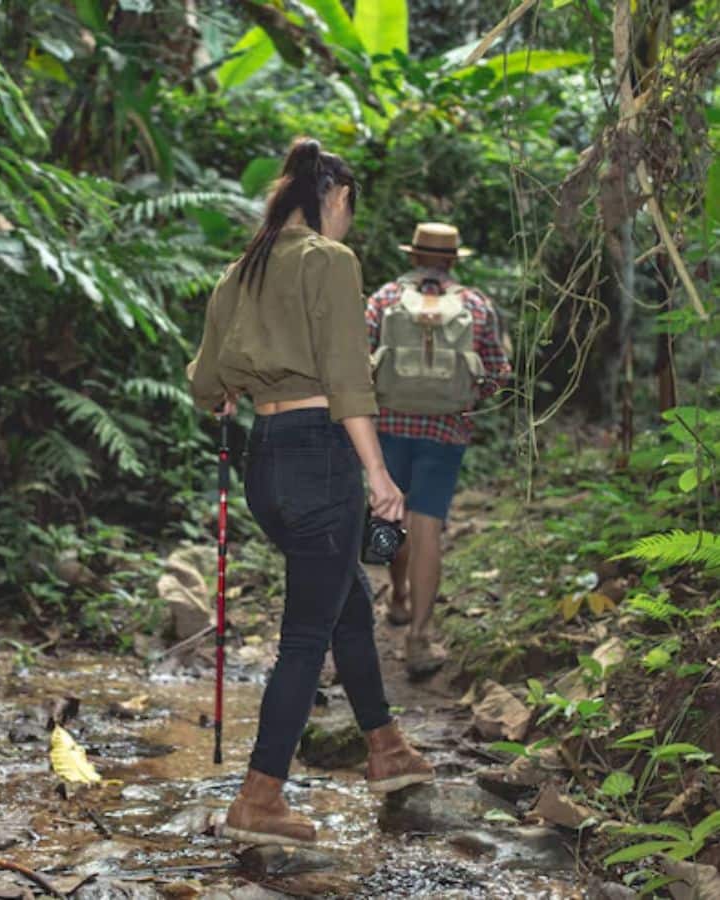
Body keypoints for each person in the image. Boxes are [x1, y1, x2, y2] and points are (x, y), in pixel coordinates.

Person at [187, 138, 435, 847]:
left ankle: (385, 747)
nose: (348, 225)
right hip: (322, 460)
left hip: (263, 464)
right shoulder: (329, 261)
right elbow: (347, 378)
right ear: (335, 198)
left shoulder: (241, 271)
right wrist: (380, 476)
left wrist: (238, 384)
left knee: (345, 604)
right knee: (305, 633)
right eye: (349, 211)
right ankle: (260, 795)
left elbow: (205, 384)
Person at [366, 222, 511, 681]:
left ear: (413, 257)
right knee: (426, 526)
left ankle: (398, 596)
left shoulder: (384, 300)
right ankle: (420, 637)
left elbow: (357, 359)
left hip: (388, 427)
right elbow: (496, 373)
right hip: (445, 432)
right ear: (452, 261)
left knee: (392, 514)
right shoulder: (475, 305)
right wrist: (468, 398)